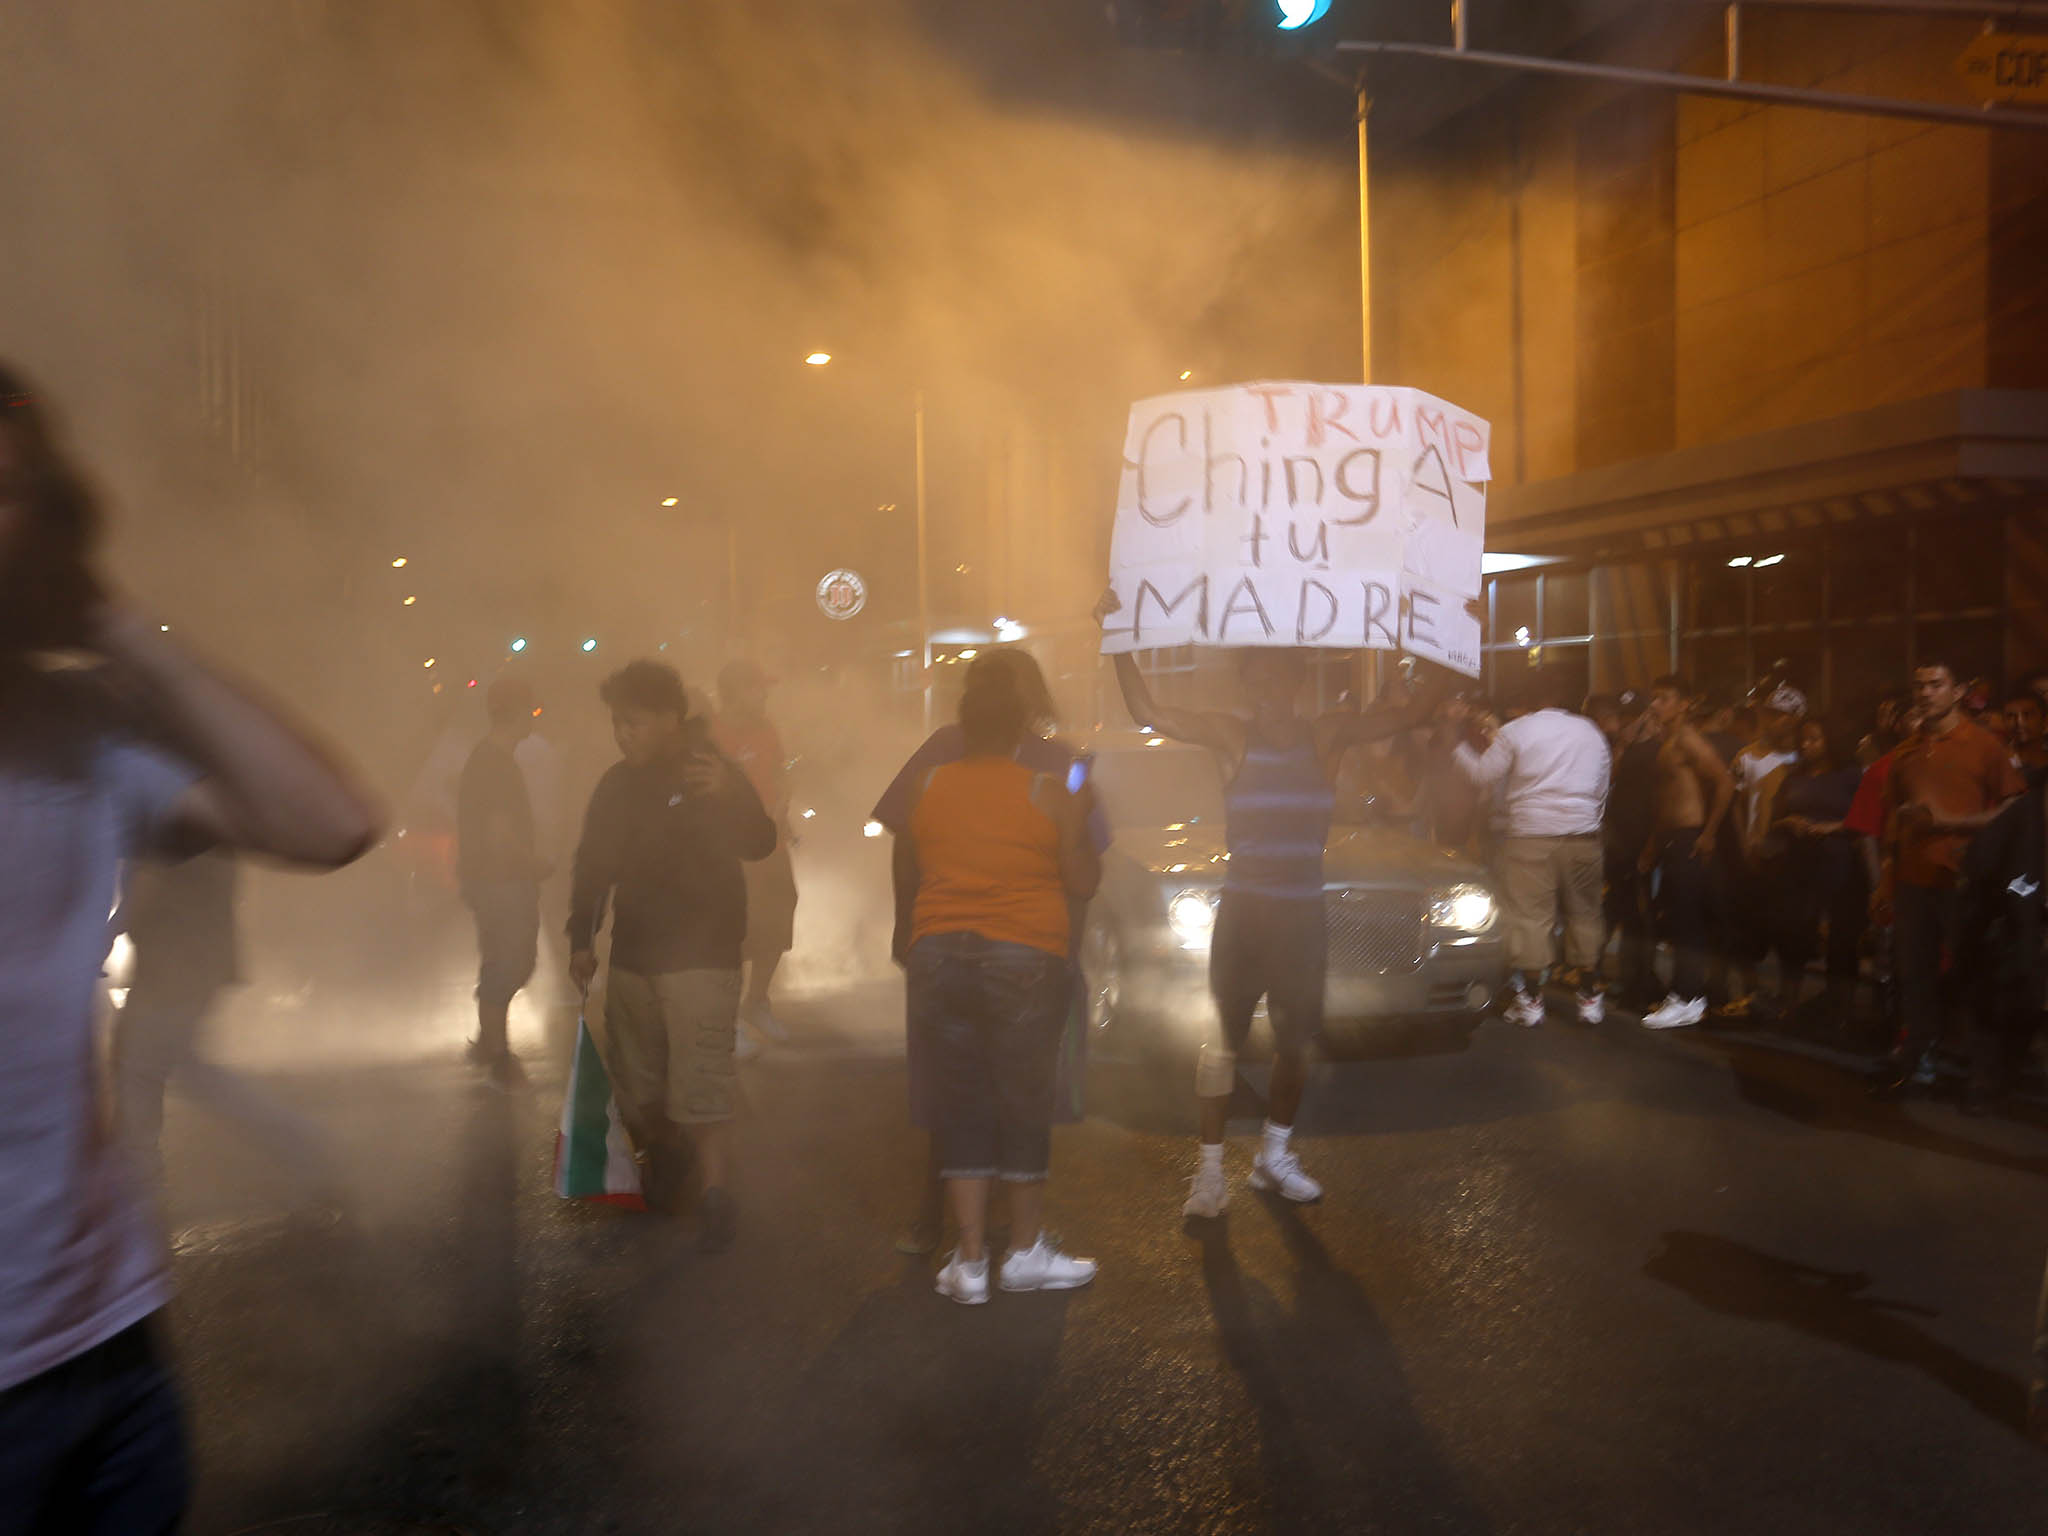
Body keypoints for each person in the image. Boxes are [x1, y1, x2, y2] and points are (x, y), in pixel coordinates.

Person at [0, 363, 379, 1533]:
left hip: (109, 1346)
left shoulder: (78, 729)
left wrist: (120, 629)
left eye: (22, 497)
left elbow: (331, 822)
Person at [1097, 591, 1447, 1220]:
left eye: (1275, 676)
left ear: (1295, 679)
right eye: (1253, 677)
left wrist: (1451, 640)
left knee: (1295, 1044)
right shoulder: (1231, 735)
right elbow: (1148, 709)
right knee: (1223, 1044)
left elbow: (1413, 711)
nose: (1264, 689)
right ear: (1246, 683)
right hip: (1243, 914)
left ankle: (1274, 1157)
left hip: (1300, 917)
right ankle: (1207, 1174)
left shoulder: (1328, 734)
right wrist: (1118, 632)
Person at [871, 648, 1109, 1257]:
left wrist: (911, 927)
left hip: (980, 948)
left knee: (964, 1088)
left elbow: (904, 842)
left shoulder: (1044, 759)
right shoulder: (1035, 762)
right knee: (1005, 1090)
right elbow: (1084, 868)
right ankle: (985, 1230)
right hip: (1022, 950)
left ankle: (972, 1236)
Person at [566, 660, 776, 1251]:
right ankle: (667, 1157)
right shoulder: (615, 785)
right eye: (616, 723)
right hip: (633, 956)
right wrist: (582, 938)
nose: (621, 734)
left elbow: (759, 842)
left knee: (702, 1082)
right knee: (638, 1087)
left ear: (667, 719)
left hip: (703, 958)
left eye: (632, 722)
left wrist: (732, 797)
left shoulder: (713, 771)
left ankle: (714, 1192)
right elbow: (593, 865)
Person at [112, 851, 336, 1209]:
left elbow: (150, 878)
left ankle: (137, 1188)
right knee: (176, 1069)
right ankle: (308, 1151)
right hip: (191, 955)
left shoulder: (172, 811)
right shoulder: (202, 806)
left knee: (144, 1068)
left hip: (176, 958)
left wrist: (109, 930)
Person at [1869, 659, 2025, 1103]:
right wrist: (1885, 881)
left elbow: (2015, 809)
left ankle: (1981, 1075)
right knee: (1914, 975)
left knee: (1971, 977)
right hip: (1913, 881)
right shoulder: (1906, 752)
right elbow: (1892, 824)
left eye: (1936, 685)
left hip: (1962, 880)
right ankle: (1918, 1060)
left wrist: (1952, 822)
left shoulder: (1982, 745)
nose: (1925, 693)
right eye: (1919, 686)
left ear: (1958, 692)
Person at [1448, 671, 1611, 1026]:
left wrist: (1456, 745)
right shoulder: (1591, 733)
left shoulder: (1516, 731)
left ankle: (1533, 1003)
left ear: (1532, 699)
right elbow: (1602, 788)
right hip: (1583, 833)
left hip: (1531, 834)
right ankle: (1589, 999)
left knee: (1530, 918)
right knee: (1585, 914)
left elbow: (1482, 776)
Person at [457, 675, 546, 1077]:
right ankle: (497, 1053)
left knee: (504, 960)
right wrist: (532, 863)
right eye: (531, 709)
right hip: (502, 881)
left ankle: (488, 1041)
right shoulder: (494, 763)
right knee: (511, 962)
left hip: (491, 880)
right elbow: (498, 834)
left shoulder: (489, 758)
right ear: (517, 713)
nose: (535, 718)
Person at [1758, 717, 1867, 1034]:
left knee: (1840, 940)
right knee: (1792, 934)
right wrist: (1788, 823)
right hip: (1799, 867)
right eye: (1803, 739)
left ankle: (1839, 1010)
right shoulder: (1794, 777)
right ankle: (1788, 1002)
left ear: (1831, 740)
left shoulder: (1850, 776)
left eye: (1814, 739)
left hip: (1842, 867)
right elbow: (1773, 822)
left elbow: (1865, 820)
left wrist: (1830, 827)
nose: (1806, 745)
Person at [1639, 676, 1736, 1030]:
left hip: (1689, 839)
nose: (1654, 705)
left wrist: (1708, 833)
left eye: (1663, 699)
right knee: (1678, 920)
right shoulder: (1668, 741)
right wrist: (1653, 844)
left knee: (1687, 922)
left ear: (1685, 704)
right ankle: (1685, 996)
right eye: (1653, 698)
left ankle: (1688, 998)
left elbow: (1726, 781)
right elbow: (1667, 801)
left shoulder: (1687, 738)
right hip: (1673, 840)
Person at [712, 659, 798, 1049]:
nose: (764, 696)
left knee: (779, 919)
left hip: (771, 846)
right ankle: (727, 1018)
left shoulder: (766, 729)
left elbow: (780, 772)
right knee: (732, 933)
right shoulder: (711, 735)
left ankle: (757, 1001)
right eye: (756, 688)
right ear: (735, 692)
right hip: (730, 853)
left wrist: (783, 802)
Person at [1719, 685, 1806, 1019]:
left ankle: (1789, 1001)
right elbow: (1736, 806)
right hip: (1754, 857)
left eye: (1783, 716)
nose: (1775, 722)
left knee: (1792, 935)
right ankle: (1752, 992)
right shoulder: (1747, 756)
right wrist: (1743, 843)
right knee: (1745, 930)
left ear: (1797, 719)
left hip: (1791, 861)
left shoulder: (1806, 758)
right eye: (1771, 714)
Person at [1600, 692, 1662, 1009]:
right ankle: (1629, 980)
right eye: (1622, 716)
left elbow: (1662, 801)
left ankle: (1644, 982)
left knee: (1642, 915)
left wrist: (1651, 847)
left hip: (1644, 845)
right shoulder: (1624, 748)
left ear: (1645, 716)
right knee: (1624, 911)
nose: (1624, 722)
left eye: (1631, 716)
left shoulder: (1659, 748)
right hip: (1620, 843)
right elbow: (1612, 783)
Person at [2003, 689, 2048, 779]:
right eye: (2010, 716)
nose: (2019, 722)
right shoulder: (1998, 765)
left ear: (2045, 721)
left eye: (2027, 714)